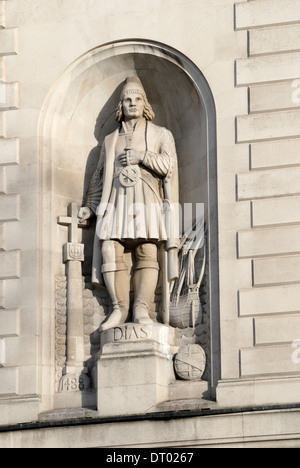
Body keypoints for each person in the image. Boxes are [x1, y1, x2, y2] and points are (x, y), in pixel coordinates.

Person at [78, 76, 179, 331]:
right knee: (110, 248)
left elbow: (169, 167)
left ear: (144, 103)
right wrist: (90, 206)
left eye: (137, 99)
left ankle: (141, 308)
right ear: (120, 106)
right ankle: (118, 309)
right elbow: (99, 176)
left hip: (147, 199)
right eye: (127, 100)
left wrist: (142, 157)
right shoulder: (110, 139)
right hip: (116, 201)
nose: (132, 103)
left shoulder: (160, 134)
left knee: (146, 249)